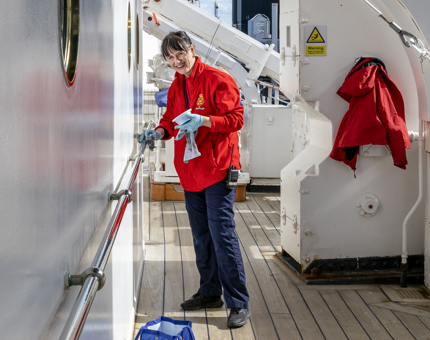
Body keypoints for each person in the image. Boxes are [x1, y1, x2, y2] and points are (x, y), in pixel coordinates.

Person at [139, 31, 250, 328]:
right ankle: (210, 292)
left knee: (222, 235)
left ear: (192, 49)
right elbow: (169, 121)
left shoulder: (217, 78)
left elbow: (237, 119)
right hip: (190, 173)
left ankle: (238, 302)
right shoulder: (178, 84)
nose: (177, 62)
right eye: (170, 58)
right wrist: (158, 133)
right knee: (201, 236)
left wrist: (204, 121)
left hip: (217, 169)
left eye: (180, 54)